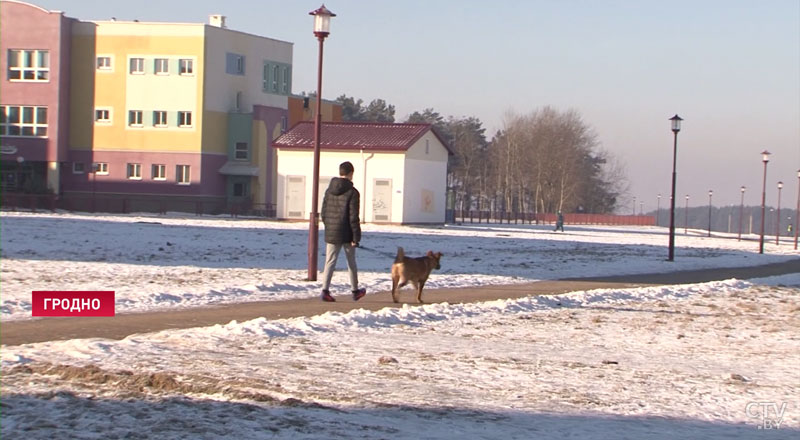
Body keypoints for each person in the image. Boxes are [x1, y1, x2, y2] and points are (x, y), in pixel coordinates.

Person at [319, 161, 366, 302]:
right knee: (351, 262)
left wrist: (329, 226)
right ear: (351, 173)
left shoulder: (329, 190)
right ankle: (355, 291)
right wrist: (356, 237)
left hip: (332, 231)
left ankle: (325, 290)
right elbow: (353, 216)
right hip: (347, 233)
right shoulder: (352, 192)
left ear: (340, 172)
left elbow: (324, 212)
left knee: (330, 262)